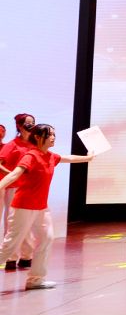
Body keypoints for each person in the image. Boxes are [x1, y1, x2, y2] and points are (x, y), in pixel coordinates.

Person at [0, 124, 94, 289]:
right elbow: (14, 174)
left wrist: (88, 158)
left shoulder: (50, 156)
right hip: (23, 206)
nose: (53, 137)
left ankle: (35, 279)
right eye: (50, 135)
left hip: (41, 208)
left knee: (46, 238)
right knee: (10, 245)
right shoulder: (31, 156)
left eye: (54, 135)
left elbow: (68, 158)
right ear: (38, 137)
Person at [0, 114, 36, 271]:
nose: (31, 125)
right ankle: (10, 257)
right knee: (13, 223)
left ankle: (26, 256)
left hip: (30, 188)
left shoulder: (35, 145)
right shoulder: (12, 145)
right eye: (27, 123)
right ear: (19, 126)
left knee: (28, 222)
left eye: (33, 122)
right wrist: (13, 174)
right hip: (14, 188)